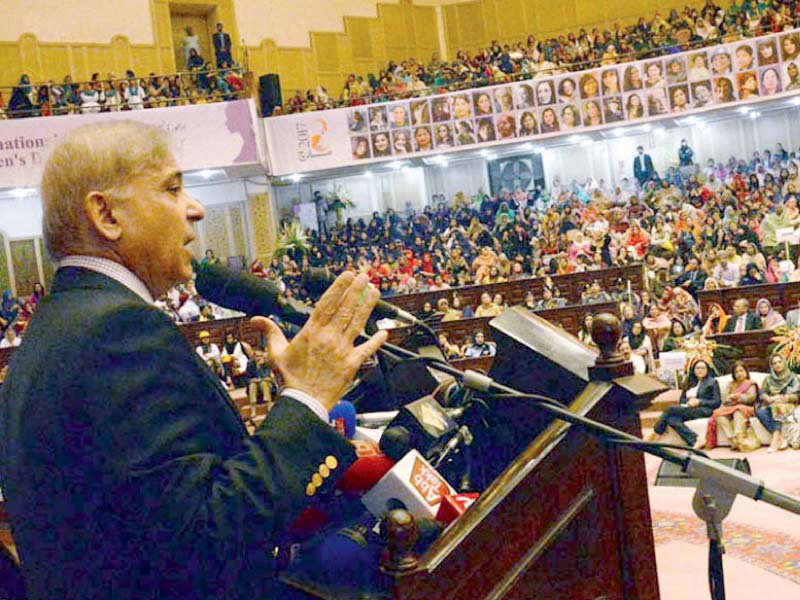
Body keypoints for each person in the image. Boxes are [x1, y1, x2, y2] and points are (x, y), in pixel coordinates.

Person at [0, 120, 388, 599]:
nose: (196, 208)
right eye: (172, 188)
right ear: (105, 215)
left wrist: (293, 397)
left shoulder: (63, 322)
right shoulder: (117, 330)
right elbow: (206, 535)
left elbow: (157, 515)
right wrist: (307, 397)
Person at [648, 360, 721, 449]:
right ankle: (696, 439)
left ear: (707, 370)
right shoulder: (690, 382)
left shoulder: (712, 382)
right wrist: (687, 402)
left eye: (703, 368)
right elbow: (681, 400)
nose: (700, 370)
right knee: (672, 419)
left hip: (703, 410)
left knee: (670, 408)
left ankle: (654, 433)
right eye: (697, 368)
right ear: (693, 370)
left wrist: (699, 401)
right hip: (688, 408)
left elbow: (716, 402)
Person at [711, 361, 759, 451]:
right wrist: (731, 397)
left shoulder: (750, 384)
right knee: (719, 415)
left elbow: (751, 398)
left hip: (746, 408)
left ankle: (739, 436)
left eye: (741, 371)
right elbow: (725, 399)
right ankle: (733, 439)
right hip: (730, 408)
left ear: (746, 372)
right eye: (736, 372)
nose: (739, 374)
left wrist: (738, 397)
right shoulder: (730, 384)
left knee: (738, 411)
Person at [757, 353, 800, 452]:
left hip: (788, 404)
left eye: (779, 362)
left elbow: (798, 395)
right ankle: (780, 436)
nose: (777, 365)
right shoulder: (768, 379)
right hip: (771, 403)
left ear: (784, 363)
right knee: (760, 412)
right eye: (774, 363)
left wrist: (785, 398)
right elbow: (762, 392)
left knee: (777, 407)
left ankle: (775, 438)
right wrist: (767, 398)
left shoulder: (793, 378)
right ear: (771, 366)